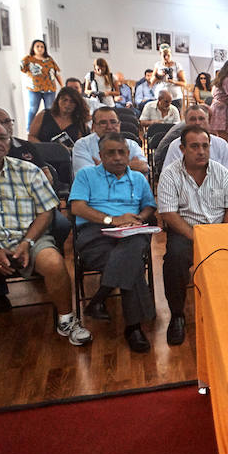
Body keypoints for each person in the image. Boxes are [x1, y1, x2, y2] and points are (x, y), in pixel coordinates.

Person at [0, 119, 91, 373]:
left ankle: (66, 321)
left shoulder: (28, 171)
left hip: (27, 238)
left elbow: (46, 212)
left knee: (54, 262)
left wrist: (27, 241)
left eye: (2, 138)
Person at [0, 108, 71, 311]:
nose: (4, 128)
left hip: (31, 207)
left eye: (7, 122)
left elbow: (46, 175)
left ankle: (37, 264)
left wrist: (35, 188)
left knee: (62, 225)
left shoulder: (25, 148)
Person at [69, 133, 157, 353]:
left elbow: (149, 206)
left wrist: (139, 218)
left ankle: (109, 306)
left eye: (121, 152)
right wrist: (112, 220)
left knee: (133, 246)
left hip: (132, 231)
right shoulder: (86, 175)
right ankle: (131, 325)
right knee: (132, 262)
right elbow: (77, 208)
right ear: (100, 156)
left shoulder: (138, 178)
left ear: (128, 154)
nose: (117, 157)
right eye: (111, 153)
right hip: (94, 232)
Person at [157, 125, 228, 345]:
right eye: (194, 146)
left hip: (218, 229)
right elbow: (168, 213)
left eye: (205, 146)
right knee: (174, 260)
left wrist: (220, 235)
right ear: (183, 149)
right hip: (186, 231)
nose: (201, 151)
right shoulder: (170, 174)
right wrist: (198, 237)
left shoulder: (220, 171)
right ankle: (177, 315)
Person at [72, 106, 148, 175]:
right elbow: (86, 175)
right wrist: (129, 166)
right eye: (103, 123)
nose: (109, 127)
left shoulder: (131, 144)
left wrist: (102, 167)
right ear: (93, 126)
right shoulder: (82, 145)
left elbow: (143, 167)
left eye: (113, 122)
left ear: (119, 124)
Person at [20, 39, 63, 127]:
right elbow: (22, 69)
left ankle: (49, 127)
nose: (40, 49)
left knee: (50, 110)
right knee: (33, 108)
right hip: (34, 89)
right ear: (33, 48)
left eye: (42, 47)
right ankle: (29, 128)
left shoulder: (49, 59)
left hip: (49, 88)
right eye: (37, 46)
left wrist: (62, 86)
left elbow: (57, 73)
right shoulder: (28, 59)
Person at [152, 44, 186, 109]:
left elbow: (184, 83)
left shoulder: (177, 65)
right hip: (161, 98)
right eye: (164, 55)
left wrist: (173, 81)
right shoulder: (157, 65)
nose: (166, 58)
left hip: (175, 97)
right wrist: (159, 75)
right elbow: (151, 82)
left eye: (168, 55)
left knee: (175, 117)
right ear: (160, 54)